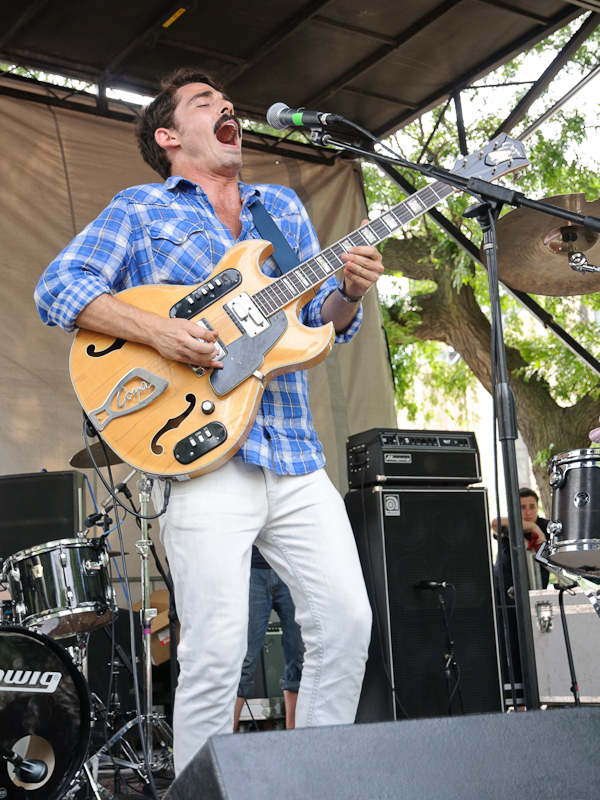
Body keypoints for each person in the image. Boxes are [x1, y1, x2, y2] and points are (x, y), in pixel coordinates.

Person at [34, 68, 382, 775]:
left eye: (227, 102)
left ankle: (316, 785)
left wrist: (347, 292)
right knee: (218, 649)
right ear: (168, 136)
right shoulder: (140, 209)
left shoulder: (279, 210)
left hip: (291, 449)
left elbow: (315, 327)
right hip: (203, 454)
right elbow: (60, 288)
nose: (227, 107)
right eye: (203, 103)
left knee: (348, 624)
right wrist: (159, 334)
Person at [233, 546, 304, 731]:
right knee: (241, 660)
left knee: (301, 658)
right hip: (250, 569)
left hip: (293, 568)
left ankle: (297, 745)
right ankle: (218, 749)